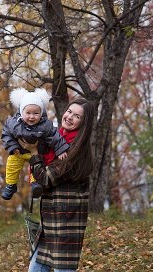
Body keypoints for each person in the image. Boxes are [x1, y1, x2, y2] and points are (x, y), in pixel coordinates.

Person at [18, 98, 95, 272]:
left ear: (84, 123)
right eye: (69, 111)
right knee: (35, 268)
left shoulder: (74, 149)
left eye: (77, 116)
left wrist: (33, 153)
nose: (69, 117)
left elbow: (45, 179)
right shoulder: (55, 139)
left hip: (65, 225)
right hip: (51, 221)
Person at [1, 87, 69, 200]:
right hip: (19, 151)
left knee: (36, 167)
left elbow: (55, 137)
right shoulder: (13, 123)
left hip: (37, 154)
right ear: (21, 112)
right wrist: (12, 147)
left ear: (41, 113)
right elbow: (6, 134)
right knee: (12, 164)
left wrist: (61, 149)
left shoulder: (45, 126)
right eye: (28, 113)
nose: (32, 116)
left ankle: (35, 184)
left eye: (36, 113)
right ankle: (11, 185)